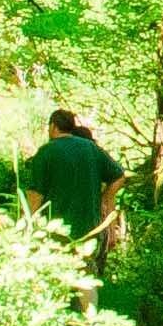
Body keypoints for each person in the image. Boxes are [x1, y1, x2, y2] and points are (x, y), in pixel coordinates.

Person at [22, 107, 123, 300]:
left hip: (54, 227)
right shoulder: (90, 148)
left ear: (53, 126)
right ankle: (91, 323)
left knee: (49, 275)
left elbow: (35, 194)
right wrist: (106, 197)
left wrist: (29, 224)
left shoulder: (46, 152)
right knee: (85, 276)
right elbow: (119, 176)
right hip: (88, 226)